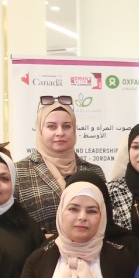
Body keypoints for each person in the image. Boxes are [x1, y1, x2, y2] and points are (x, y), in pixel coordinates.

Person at [12, 97, 108, 233]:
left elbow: (105, 219)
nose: (60, 133)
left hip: (90, 246)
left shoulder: (94, 172)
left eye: (67, 126)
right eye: (51, 126)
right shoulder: (18, 172)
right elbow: (14, 225)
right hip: (39, 246)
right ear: (40, 130)